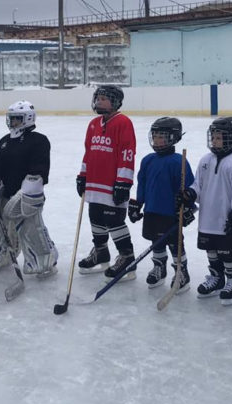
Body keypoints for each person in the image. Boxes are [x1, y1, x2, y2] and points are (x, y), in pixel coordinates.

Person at [0, 101, 57, 277]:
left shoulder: (39, 140)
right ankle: (2, 252)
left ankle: (45, 259)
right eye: (11, 118)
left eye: (16, 119)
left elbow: (40, 169)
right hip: (5, 194)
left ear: (27, 119)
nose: (12, 122)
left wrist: (26, 192)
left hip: (26, 197)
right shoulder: (4, 141)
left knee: (31, 229)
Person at [180, 116, 232, 306]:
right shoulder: (206, 160)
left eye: (219, 137)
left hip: (227, 217)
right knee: (211, 248)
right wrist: (189, 194)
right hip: (208, 217)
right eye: (213, 137)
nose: (214, 141)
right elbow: (198, 185)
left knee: (229, 252)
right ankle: (217, 277)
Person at [128, 117, 195, 293]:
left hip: (170, 213)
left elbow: (188, 188)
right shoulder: (148, 160)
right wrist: (137, 203)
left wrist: (187, 206)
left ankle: (182, 272)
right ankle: (159, 268)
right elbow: (142, 184)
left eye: (162, 137)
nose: (157, 140)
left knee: (175, 243)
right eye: (155, 136)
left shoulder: (178, 161)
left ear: (173, 138)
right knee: (155, 241)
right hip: (151, 210)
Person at [77, 85, 137, 281]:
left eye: (105, 98)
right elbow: (89, 152)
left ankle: (127, 257)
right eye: (98, 98)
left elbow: (127, 153)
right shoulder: (93, 123)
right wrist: (82, 175)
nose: (100, 101)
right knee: (95, 215)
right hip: (95, 182)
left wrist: (123, 182)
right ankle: (101, 252)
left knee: (114, 220)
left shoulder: (123, 122)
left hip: (112, 184)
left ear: (116, 102)